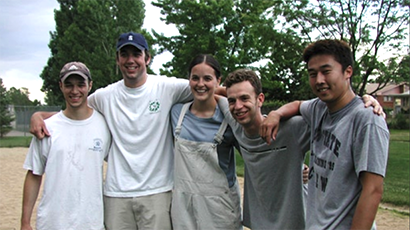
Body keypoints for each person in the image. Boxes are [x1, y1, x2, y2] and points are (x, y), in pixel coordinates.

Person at [29, 32, 193, 230]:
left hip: (156, 191)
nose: (130, 60)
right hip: (116, 194)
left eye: (136, 54)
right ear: (117, 60)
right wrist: (38, 115)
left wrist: (235, 97)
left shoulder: (168, 87)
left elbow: (208, 88)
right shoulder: (105, 96)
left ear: (147, 58)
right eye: (124, 54)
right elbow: (73, 108)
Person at [262, 39, 389, 229]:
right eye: (312, 74)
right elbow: (297, 104)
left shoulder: (367, 119)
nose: (319, 80)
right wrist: (275, 113)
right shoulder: (319, 108)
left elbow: (373, 190)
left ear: (348, 71)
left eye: (326, 71)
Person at [20, 62, 112, 230]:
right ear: (61, 86)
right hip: (51, 223)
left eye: (80, 84)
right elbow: (34, 174)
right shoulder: (47, 128)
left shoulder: (104, 125)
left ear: (90, 85)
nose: (75, 91)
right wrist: (25, 222)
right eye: (69, 85)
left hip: (91, 223)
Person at [217, 68, 311, 229]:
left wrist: (365, 101)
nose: (237, 106)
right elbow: (207, 90)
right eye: (232, 100)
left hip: (298, 224)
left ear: (260, 99)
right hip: (260, 224)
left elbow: (330, 113)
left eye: (244, 98)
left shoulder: (291, 129)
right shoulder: (237, 126)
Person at [170, 54, 242, 229]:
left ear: (218, 81)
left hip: (220, 208)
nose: (200, 84)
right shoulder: (176, 113)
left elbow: (254, 151)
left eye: (207, 78)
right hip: (183, 206)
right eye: (195, 78)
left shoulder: (230, 118)